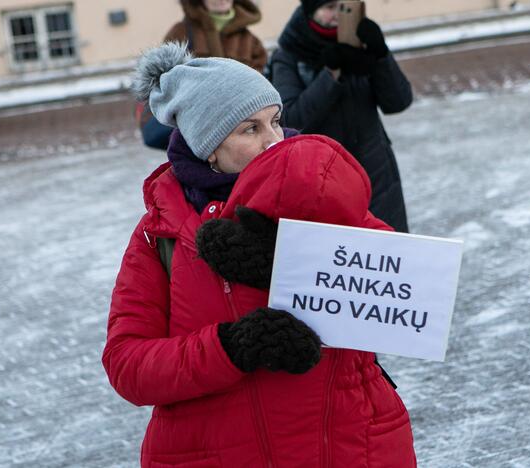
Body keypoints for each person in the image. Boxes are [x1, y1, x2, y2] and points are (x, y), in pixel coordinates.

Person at [103, 42, 416, 467]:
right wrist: (231, 348)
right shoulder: (160, 234)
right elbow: (129, 366)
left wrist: (293, 258)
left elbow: (401, 295)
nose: (274, 141)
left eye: (276, 121)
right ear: (206, 145)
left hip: (346, 446)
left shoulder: (320, 200)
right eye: (250, 129)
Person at [268, 0, 413, 233]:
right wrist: (331, 73)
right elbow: (290, 120)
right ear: (310, 12)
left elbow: (399, 102)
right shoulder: (289, 55)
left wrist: (380, 55)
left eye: (343, 7)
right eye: (329, 7)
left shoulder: (361, 43)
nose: (337, 15)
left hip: (377, 174)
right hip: (321, 180)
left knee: (386, 256)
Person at [137, 0, 268, 149]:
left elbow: (259, 89)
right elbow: (167, 83)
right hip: (194, 132)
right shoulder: (180, 32)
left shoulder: (250, 40)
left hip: (238, 133)